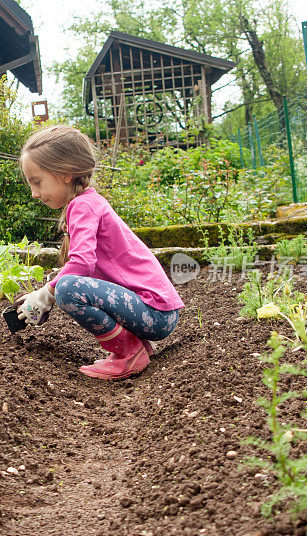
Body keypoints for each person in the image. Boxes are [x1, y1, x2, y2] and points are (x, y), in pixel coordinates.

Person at [16, 125, 184, 380]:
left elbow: (82, 264)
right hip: (158, 313)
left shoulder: (82, 206)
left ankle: (129, 353)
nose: (34, 193)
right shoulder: (89, 202)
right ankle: (138, 346)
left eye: (37, 182)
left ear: (66, 174)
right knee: (68, 284)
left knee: (67, 289)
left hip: (155, 314)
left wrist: (46, 295)